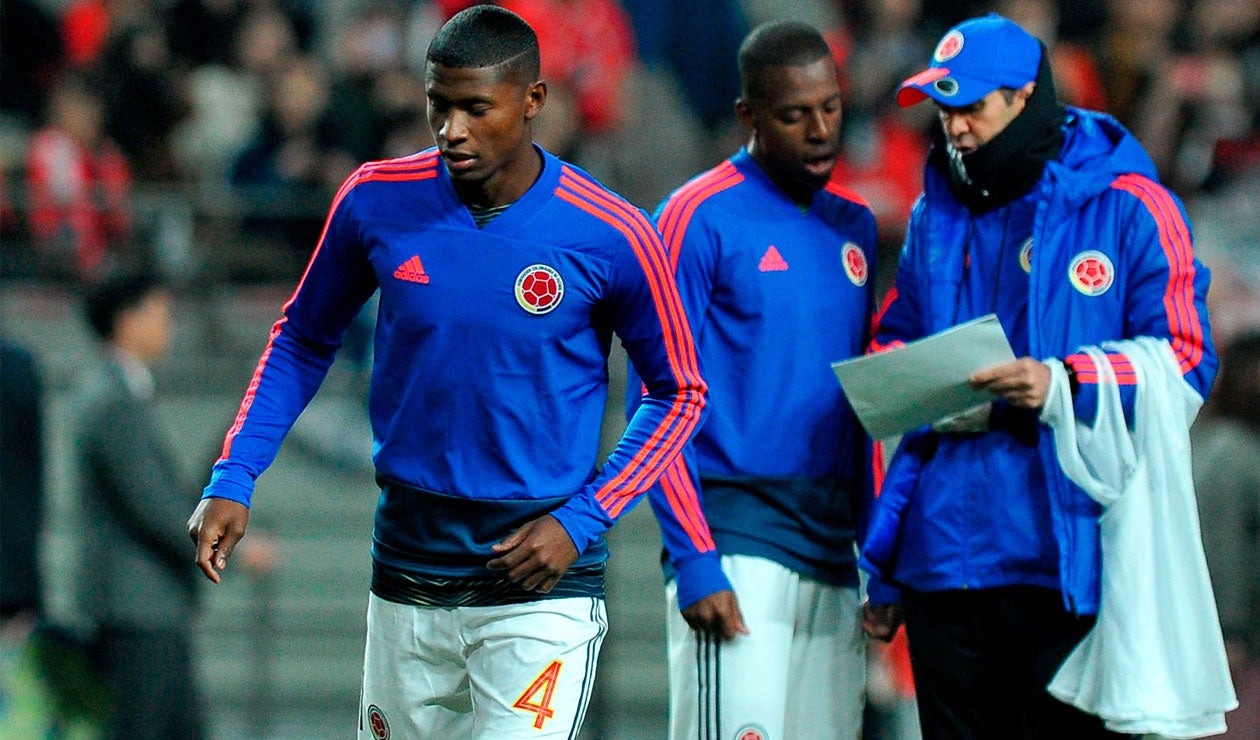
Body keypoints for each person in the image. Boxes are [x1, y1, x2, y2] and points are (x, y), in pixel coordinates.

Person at [185, 6, 705, 739]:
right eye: (439, 105)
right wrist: (236, 473)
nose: (451, 129)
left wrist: (585, 517)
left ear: (533, 102)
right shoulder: (376, 198)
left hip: (539, 578)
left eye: (475, 108)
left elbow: (679, 390)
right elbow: (303, 337)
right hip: (408, 564)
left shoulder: (611, 231)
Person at [859, 13, 1217, 739]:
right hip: (944, 565)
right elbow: (898, 350)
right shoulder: (934, 216)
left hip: (1065, 559)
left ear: (1025, 97)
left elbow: (1185, 358)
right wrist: (889, 561)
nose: (953, 127)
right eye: (944, 108)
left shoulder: (1129, 205)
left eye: (972, 107)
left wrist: (1064, 385)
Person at [628, 20, 878, 739]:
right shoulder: (693, 217)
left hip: (833, 550)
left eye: (830, 107)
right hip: (734, 537)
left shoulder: (855, 227)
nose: (821, 129)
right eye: (795, 114)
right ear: (748, 116)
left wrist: (878, 551)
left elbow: (856, 405)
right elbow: (654, 397)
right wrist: (694, 558)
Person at [74, 269, 206, 739]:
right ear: (126, 321)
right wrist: (222, 543)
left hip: (146, 606)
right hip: (138, 608)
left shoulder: (121, 394)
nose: (168, 323)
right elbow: (153, 506)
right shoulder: (113, 399)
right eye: (158, 312)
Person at [1190, 331, 1260, 738]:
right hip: (1233, 643)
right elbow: (1224, 546)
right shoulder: (1233, 452)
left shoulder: (1215, 442)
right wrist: (1230, 633)